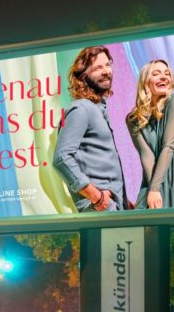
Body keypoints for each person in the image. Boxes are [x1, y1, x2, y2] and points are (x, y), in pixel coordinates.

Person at [53, 46, 126, 212]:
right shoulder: (80, 109)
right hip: (97, 208)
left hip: (111, 207)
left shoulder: (99, 109)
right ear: (84, 75)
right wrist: (97, 198)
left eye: (107, 65)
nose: (106, 71)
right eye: (98, 67)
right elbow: (61, 158)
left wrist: (122, 200)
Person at [126, 59, 174, 209]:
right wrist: (153, 189)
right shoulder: (133, 119)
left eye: (167, 74)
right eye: (156, 74)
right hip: (152, 177)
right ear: (146, 81)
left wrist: (155, 188)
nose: (164, 77)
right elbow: (146, 155)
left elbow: (169, 145)